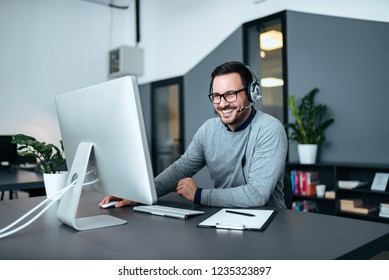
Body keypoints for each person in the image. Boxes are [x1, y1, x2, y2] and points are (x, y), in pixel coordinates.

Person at [100, 61, 288, 209]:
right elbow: (181, 169)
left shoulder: (269, 129)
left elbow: (257, 194)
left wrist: (199, 195)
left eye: (230, 94)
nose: (222, 104)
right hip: (224, 218)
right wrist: (140, 194)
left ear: (251, 93)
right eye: (216, 96)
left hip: (269, 223)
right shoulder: (208, 130)